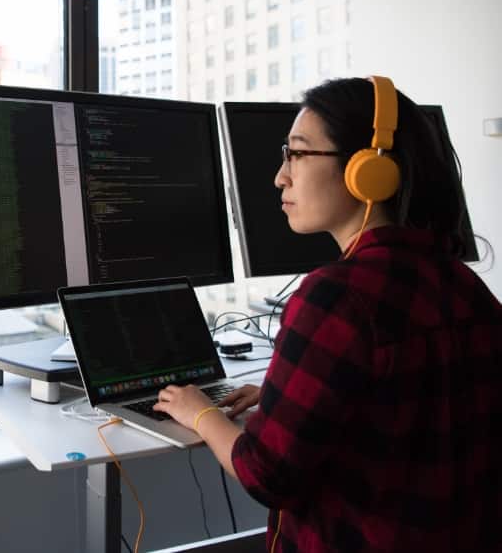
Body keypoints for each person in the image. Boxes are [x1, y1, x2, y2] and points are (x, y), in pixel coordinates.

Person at [153, 77, 502, 552]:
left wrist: (202, 413)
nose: (281, 176)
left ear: (368, 171)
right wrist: (288, 397)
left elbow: (266, 474)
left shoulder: (337, 298)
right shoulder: (468, 286)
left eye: (296, 154)